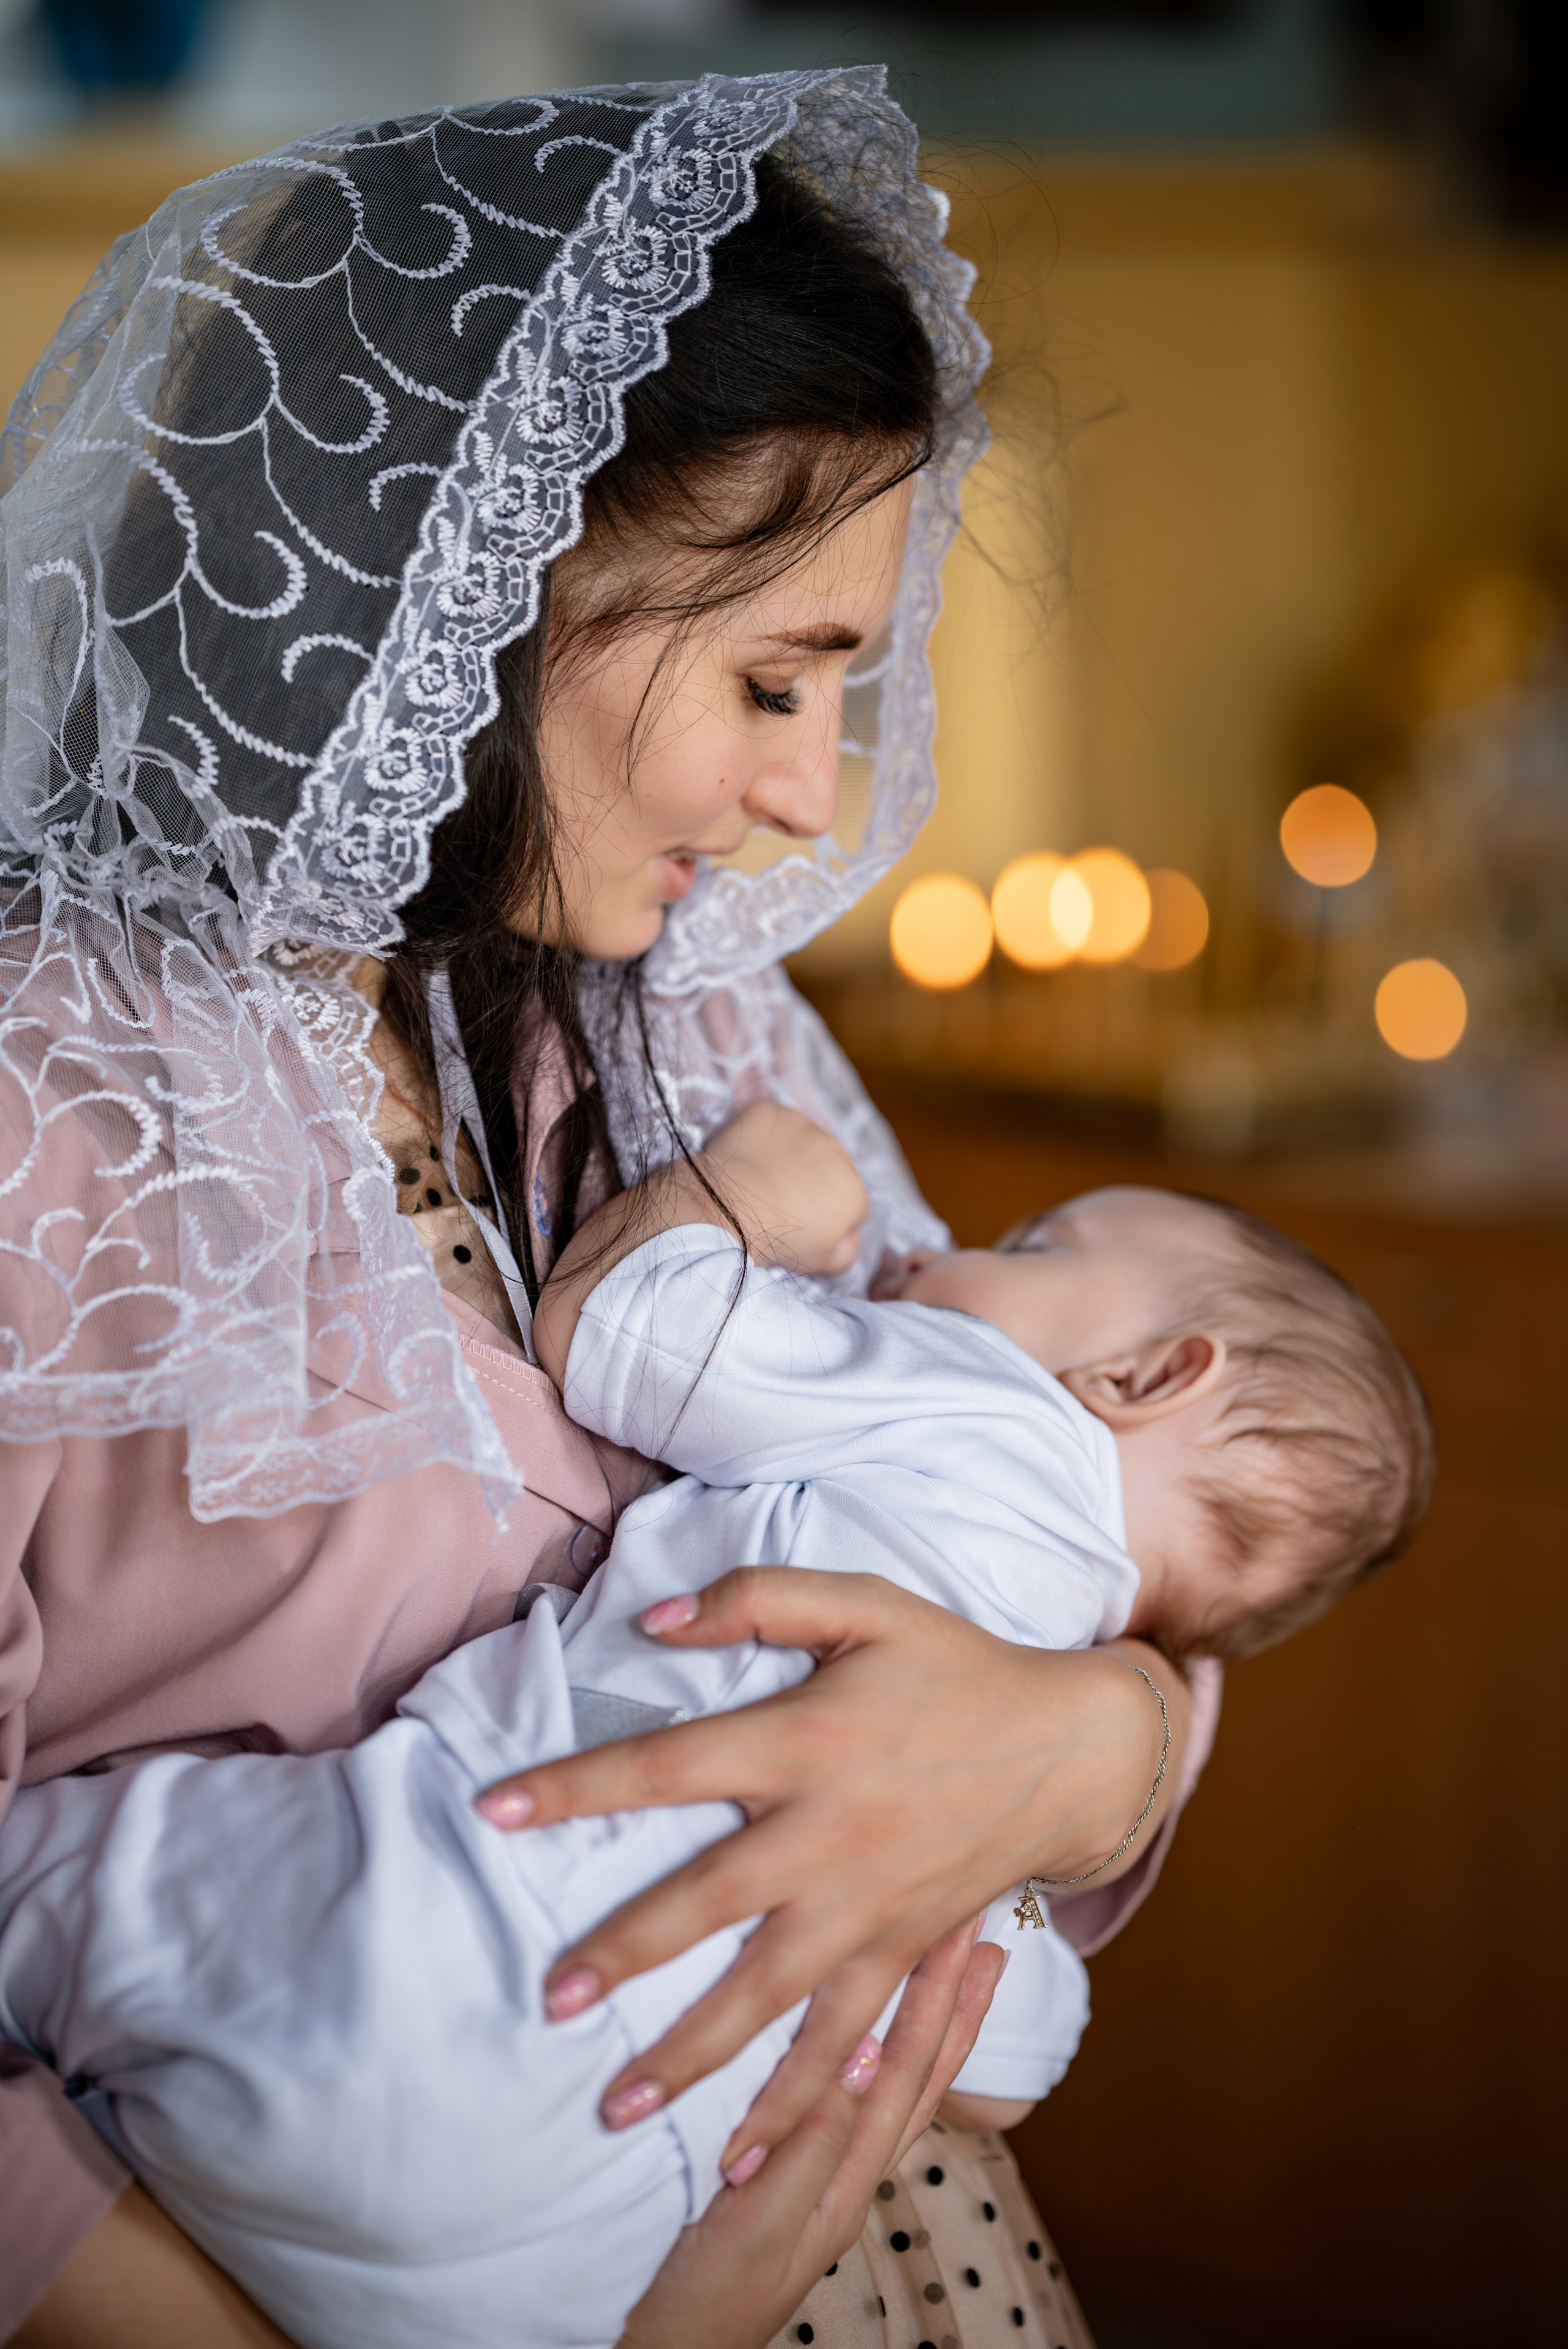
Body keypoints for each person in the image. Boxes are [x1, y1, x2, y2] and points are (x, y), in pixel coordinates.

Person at [0, 72, 1211, 2347]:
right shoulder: (46, 1109)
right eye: (771, 679)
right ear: (463, 568)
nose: (798, 796)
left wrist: (1099, 1740)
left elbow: (1081, 1491)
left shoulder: (672, 1021)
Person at [0, 1107, 1431, 2349]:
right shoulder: (1045, 1695)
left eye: (1031, 1241)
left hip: (416, 1924)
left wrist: (745, 1193)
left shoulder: (985, 1414)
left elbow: (629, 1328)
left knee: (55, 1877)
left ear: (1143, 1377)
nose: (927, 1252)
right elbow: (1000, 2066)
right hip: (556, 2240)